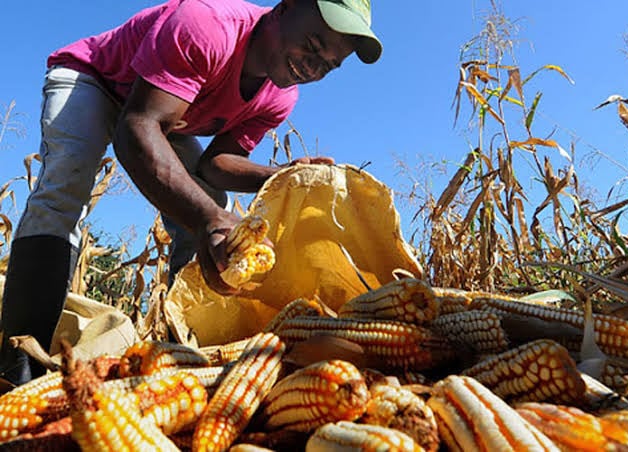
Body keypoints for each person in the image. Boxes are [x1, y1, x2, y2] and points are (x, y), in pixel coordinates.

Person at [0, 0, 381, 385]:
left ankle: (179, 360)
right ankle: (18, 367)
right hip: (96, 81)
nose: (313, 68)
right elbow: (136, 129)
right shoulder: (207, 25)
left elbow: (215, 165)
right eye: (312, 46)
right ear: (285, 8)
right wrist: (206, 219)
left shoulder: (280, 97)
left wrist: (282, 175)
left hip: (163, 116)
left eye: (328, 65)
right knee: (63, 190)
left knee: (215, 208)